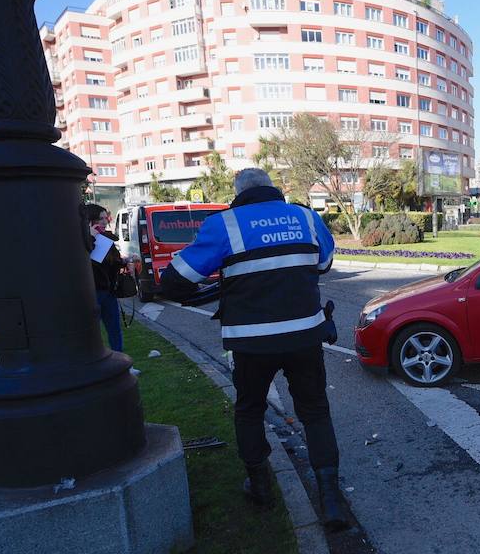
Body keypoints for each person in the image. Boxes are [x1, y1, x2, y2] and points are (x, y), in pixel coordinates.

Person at [159, 169, 347, 529]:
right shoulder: (306, 216)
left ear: (238, 192)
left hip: (251, 342)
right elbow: (323, 264)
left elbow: (175, 282)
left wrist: (221, 288)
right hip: (304, 336)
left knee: (249, 410)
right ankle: (331, 502)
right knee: (315, 412)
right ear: (273, 188)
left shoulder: (224, 224)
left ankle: (260, 487)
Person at [86, 204, 125, 353]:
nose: (103, 221)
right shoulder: (85, 237)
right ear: (90, 220)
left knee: (114, 327)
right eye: (100, 218)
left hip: (108, 289)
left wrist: (124, 262)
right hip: (94, 290)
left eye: (105, 218)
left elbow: (114, 261)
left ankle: (119, 357)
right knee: (92, 330)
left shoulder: (107, 237)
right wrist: (91, 236)